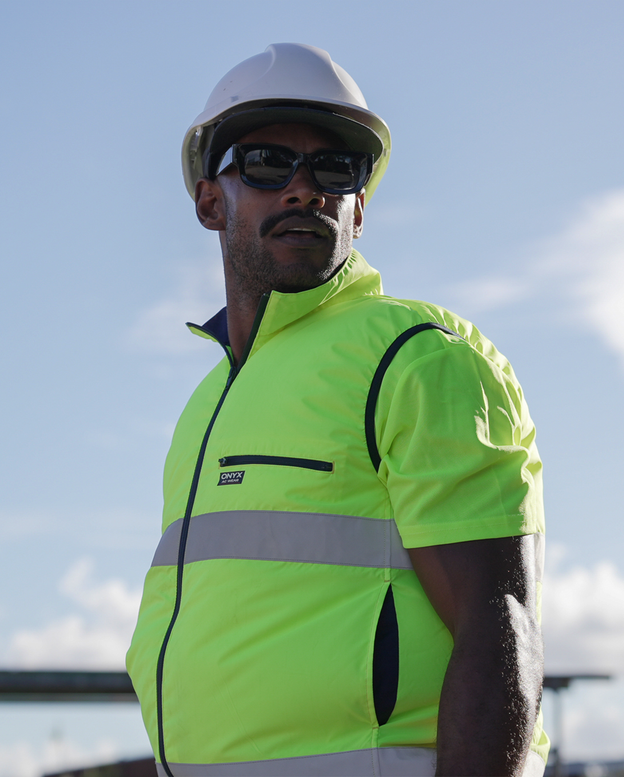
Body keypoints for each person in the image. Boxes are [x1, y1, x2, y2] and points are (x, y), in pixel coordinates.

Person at [127, 43, 549, 777]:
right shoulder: (210, 399)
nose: (303, 190)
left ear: (361, 205)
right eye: (265, 163)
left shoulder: (419, 356)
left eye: (335, 169)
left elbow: (499, 618)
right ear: (208, 199)